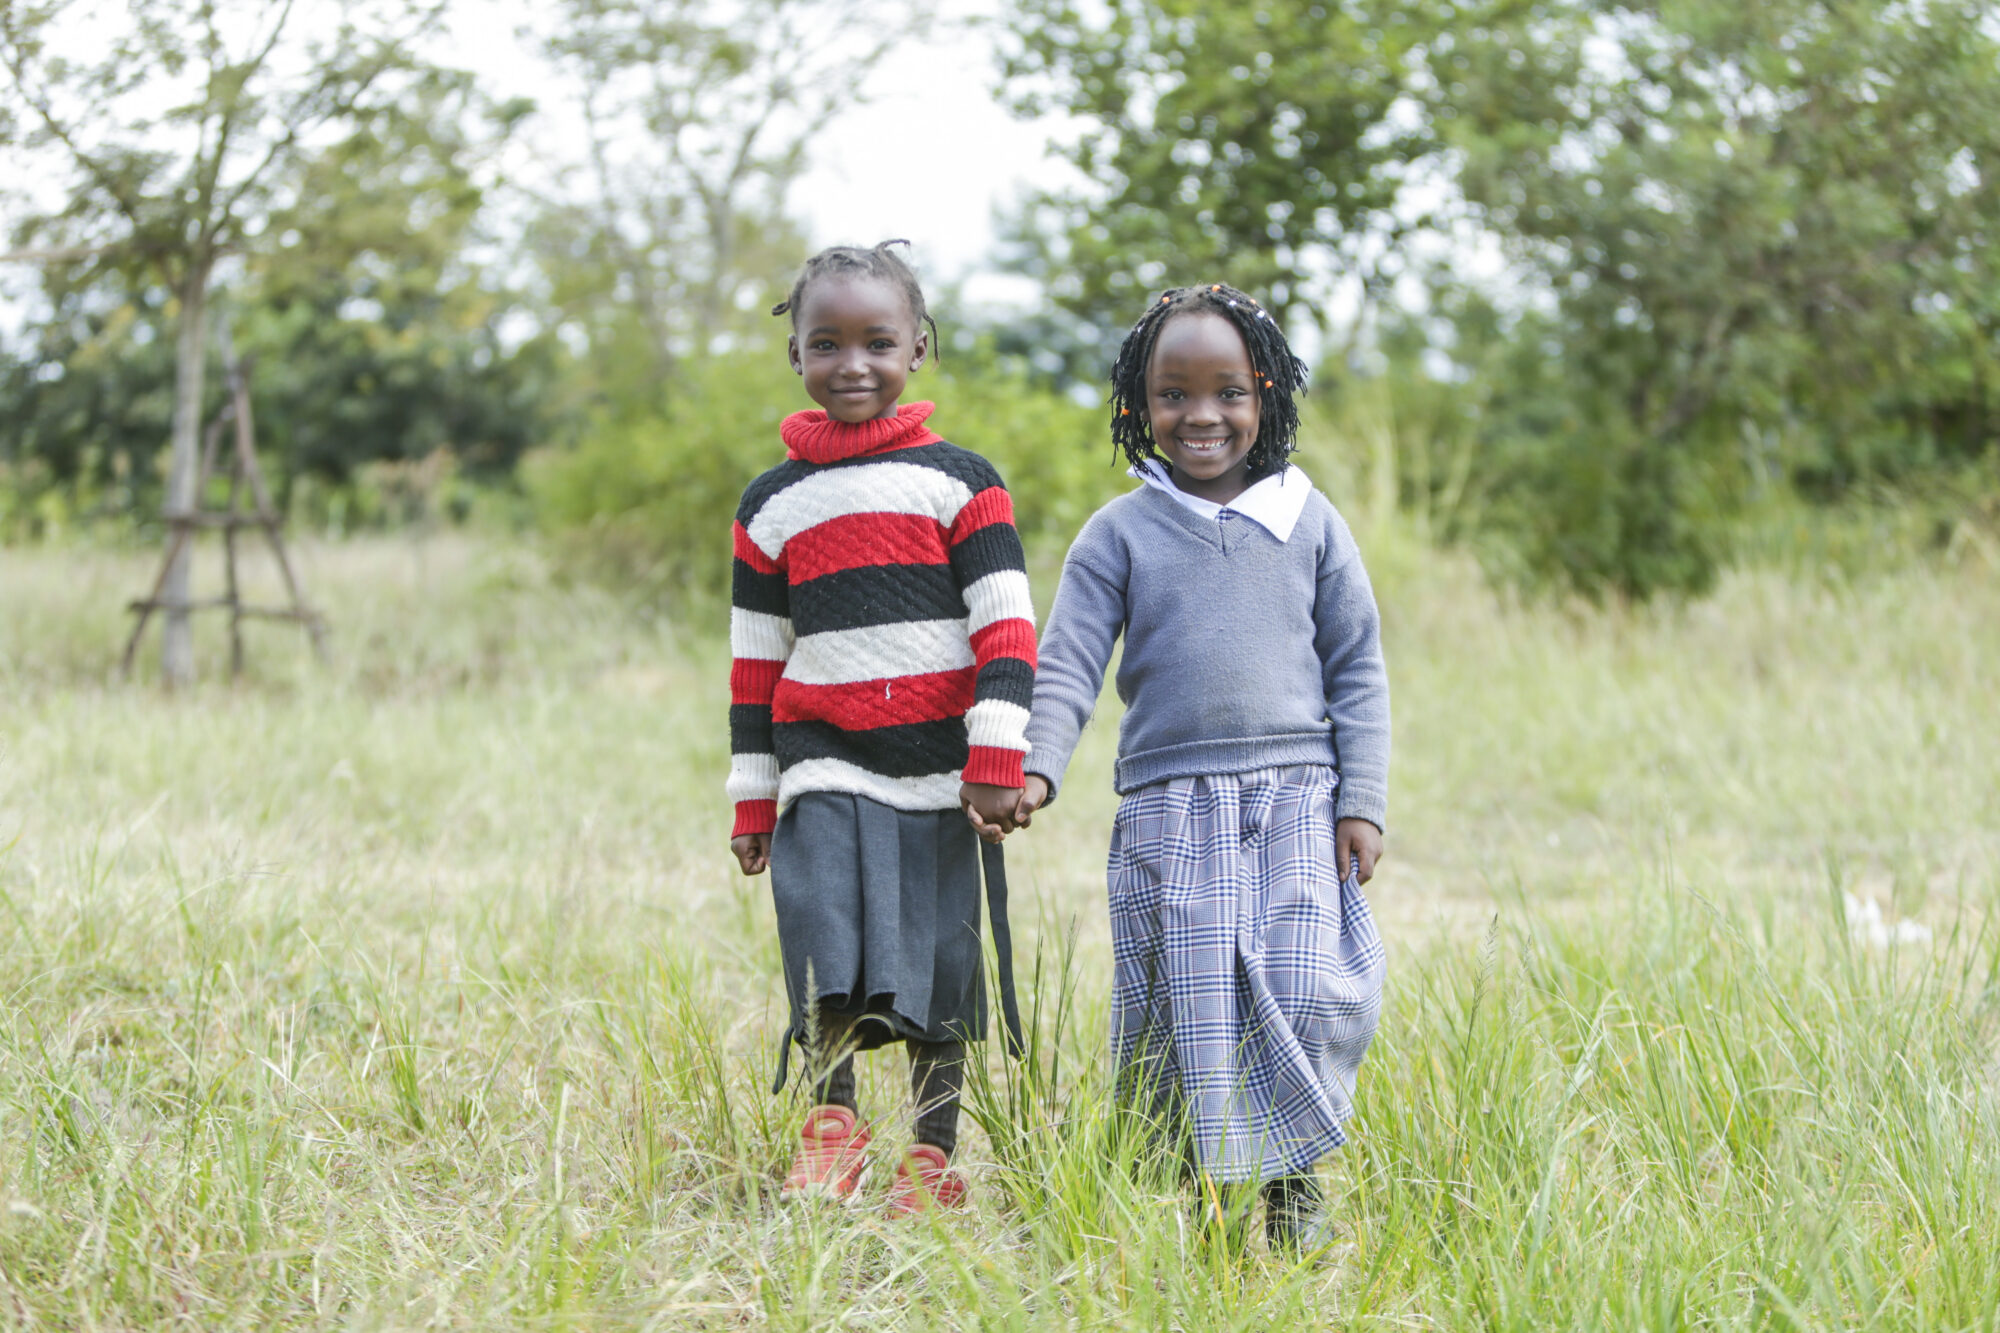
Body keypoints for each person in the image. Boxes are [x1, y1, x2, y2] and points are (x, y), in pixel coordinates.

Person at [997, 283, 1389, 1252]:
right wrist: (1036, 769)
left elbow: (1357, 665)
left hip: (1297, 796)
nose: (1201, 415)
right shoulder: (1118, 532)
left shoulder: (1309, 519)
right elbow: (1070, 662)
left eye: (1226, 392)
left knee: (1303, 987)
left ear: (1266, 395)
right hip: (1170, 805)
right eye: (1172, 394)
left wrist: (1363, 801)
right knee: (1192, 1001)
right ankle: (1211, 1202)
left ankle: (1293, 1172)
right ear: (1138, 404)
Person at [727, 240, 1035, 1217]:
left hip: (941, 769)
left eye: (876, 341)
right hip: (821, 757)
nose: (850, 363)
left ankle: (931, 1156)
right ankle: (831, 1127)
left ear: (917, 347)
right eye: (826, 343)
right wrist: (752, 793)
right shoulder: (770, 505)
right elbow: (754, 659)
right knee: (824, 940)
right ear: (796, 357)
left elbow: (1006, 627)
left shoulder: (961, 483)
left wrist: (993, 758)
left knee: (941, 961)